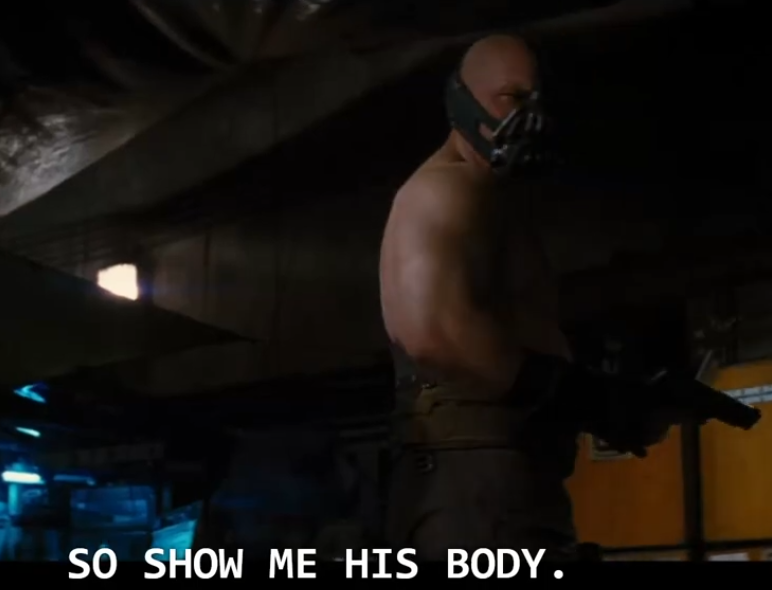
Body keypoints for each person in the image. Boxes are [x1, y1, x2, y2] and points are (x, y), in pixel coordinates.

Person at [378, 34, 672, 561]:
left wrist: (600, 400)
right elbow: (433, 334)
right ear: (462, 100)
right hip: (475, 482)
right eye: (511, 98)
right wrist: (580, 396)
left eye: (537, 101)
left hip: (506, 476)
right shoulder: (442, 192)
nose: (529, 118)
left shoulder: (494, 202)